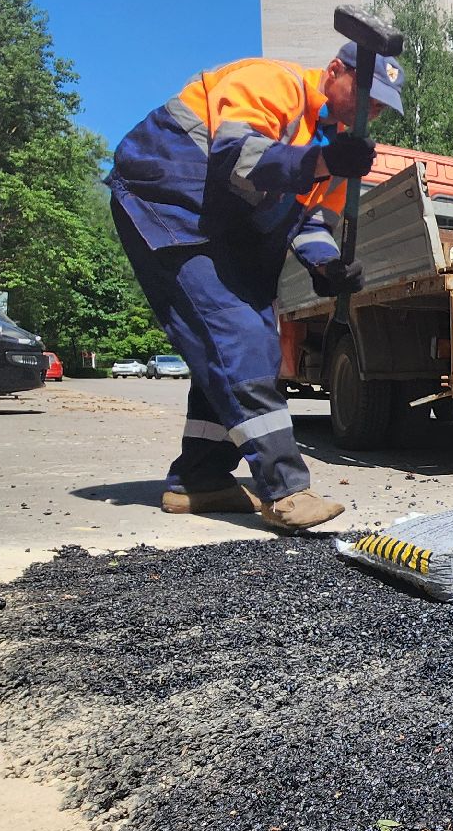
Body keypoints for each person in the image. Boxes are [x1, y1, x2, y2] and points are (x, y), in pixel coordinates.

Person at [108, 43, 402, 531]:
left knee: (247, 346)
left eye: (380, 108)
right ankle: (285, 490)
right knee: (238, 335)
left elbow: (307, 223)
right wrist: (324, 162)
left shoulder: (333, 144)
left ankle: (200, 480)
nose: (371, 112)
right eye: (367, 95)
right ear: (334, 70)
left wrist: (328, 268)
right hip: (170, 202)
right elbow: (238, 157)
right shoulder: (273, 83)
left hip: (227, 232)